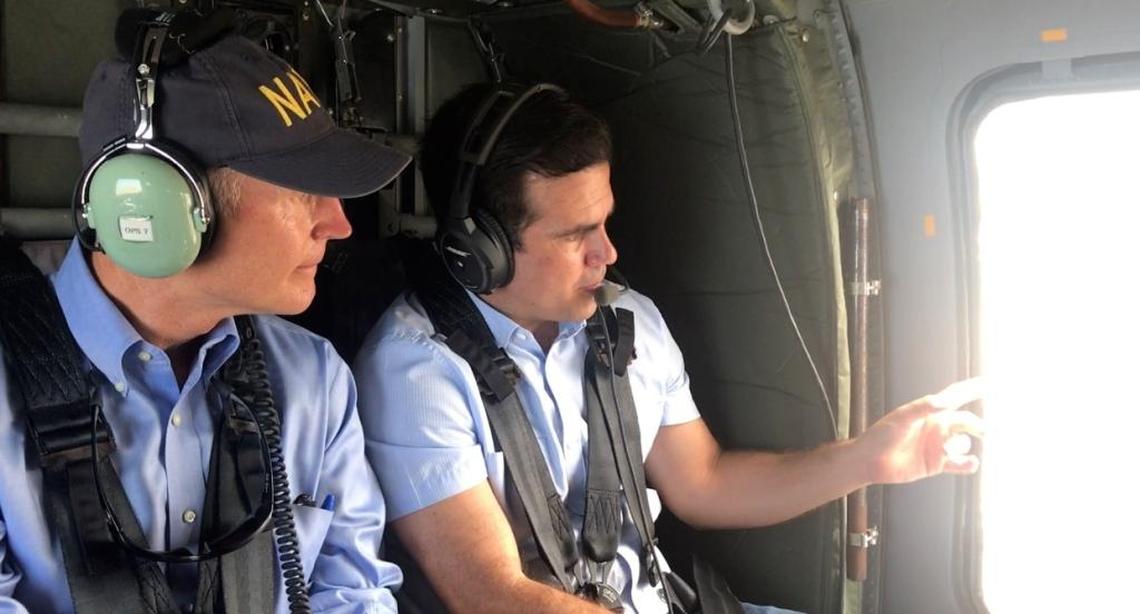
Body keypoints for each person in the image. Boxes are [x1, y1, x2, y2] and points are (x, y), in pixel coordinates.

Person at [353, 83, 984, 613]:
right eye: (577, 234)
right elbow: (495, 597)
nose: (608, 253)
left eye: (604, 222)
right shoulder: (417, 369)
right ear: (479, 249)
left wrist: (868, 459)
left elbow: (704, 484)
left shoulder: (628, 320)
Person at [0, 18, 411, 614]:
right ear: (159, 204)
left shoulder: (313, 379)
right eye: (303, 192)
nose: (340, 225)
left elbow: (352, 594)